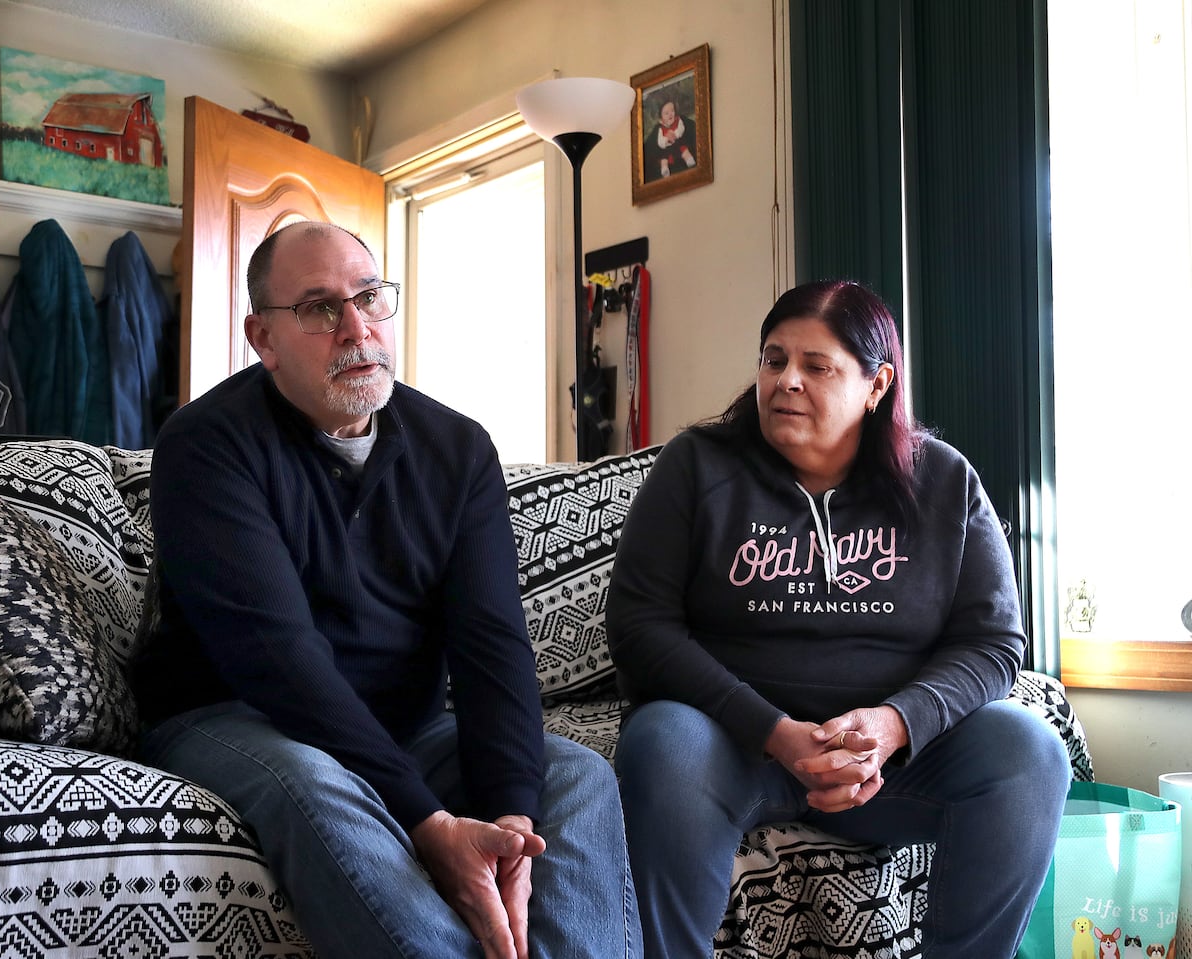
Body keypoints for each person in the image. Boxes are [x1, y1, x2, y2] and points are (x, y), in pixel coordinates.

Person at [136, 221, 640, 959]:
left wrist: (512, 829)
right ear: (262, 336)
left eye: (369, 296)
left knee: (576, 775)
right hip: (236, 714)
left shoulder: (458, 449)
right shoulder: (205, 445)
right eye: (318, 307)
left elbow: (492, 648)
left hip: (403, 725)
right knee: (318, 780)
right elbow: (281, 662)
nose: (355, 327)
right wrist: (428, 824)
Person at [606, 279, 1069, 958]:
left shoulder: (944, 482)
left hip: (893, 762)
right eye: (772, 359)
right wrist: (774, 731)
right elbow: (640, 626)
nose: (785, 380)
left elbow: (994, 642)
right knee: (662, 741)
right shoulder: (696, 466)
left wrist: (896, 724)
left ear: (877, 384)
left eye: (815, 366)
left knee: (1030, 752)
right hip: (732, 744)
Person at [642, 98, 696, 181]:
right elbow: (660, 141)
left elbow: (681, 128)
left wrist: (675, 134)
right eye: (666, 113)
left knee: (685, 150)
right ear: (661, 119)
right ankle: (665, 169)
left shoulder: (679, 121)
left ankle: (689, 160)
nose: (670, 114)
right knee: (664, 159)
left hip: (678, 143)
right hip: (667, 148)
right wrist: (666, 140)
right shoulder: (660, 129)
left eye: (672, 111)